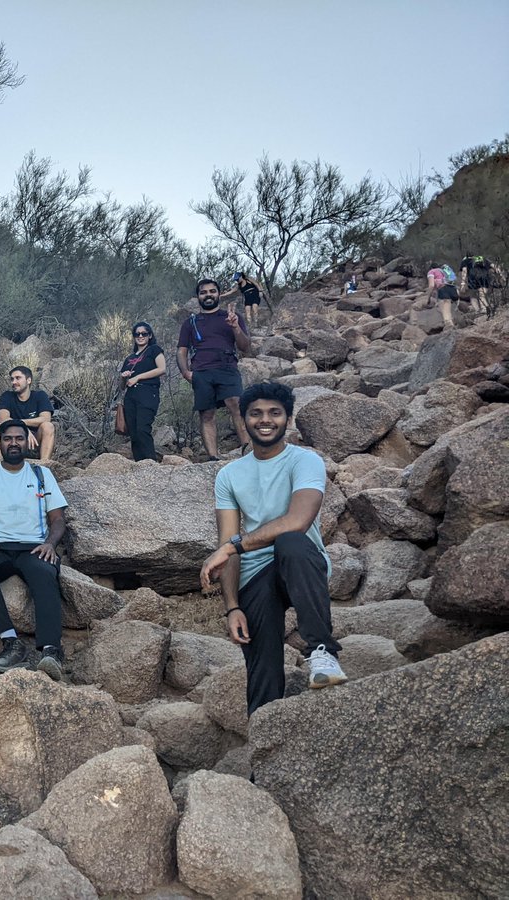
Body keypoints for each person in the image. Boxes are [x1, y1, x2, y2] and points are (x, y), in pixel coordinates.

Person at [199, 382, 347, 716]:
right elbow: (227, 543)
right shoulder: (229, 475)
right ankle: (263, 756)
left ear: (287, 419)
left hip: (299, 566)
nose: (265, 420)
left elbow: (298, 520)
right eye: (256, 413)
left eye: (274, 413)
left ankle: (322, 651)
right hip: (254, 576)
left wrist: (233, 547)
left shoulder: (305, 462)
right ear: (244, 419)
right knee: (262, 671)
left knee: (291, 540)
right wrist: (232, 607)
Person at [0, 420, 69, 681]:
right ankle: (11, 643)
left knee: (45, 571)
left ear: (28, 442)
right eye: (7, 438)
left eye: (19, 438)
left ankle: (51, 650)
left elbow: (57, 518)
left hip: (33, 547)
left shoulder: (41, 475)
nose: (13, 443)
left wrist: (50, 544)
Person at [177, 279, 252, 461]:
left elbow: (245, 346)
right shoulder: (190, 322)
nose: (208, 295)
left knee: (236, 404)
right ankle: (213, 457)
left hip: (227, 367)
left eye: (212, 291)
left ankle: (248, 451)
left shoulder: (232, 317)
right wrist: (186, 373)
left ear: (219, 294)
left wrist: (235, 327)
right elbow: (181, 350)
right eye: (204, 292)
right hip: (201, 371)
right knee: (207, 413)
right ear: (198, 297)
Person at [119, 322, 166, 462]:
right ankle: (139, 463)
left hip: (147, 392)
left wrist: (138, 377)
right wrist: (123, 377)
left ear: (149, 335)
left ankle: (150, 463)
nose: (140, 336)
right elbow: (122, 386)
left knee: (142, 429)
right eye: (137, 334)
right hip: (131, 396)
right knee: (133, 432)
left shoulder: (154, 350)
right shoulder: (129, 358)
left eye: (144, 333)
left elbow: (162, 369)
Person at [0, 365, 56, 463]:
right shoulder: (7, 396)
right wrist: (24, 429)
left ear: (28, 380)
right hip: (13, 440)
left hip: (34, 442)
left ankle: (44, 465)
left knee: (48, 426)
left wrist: (22, 423)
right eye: (12, 379)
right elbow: (3, 418)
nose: (14, 382)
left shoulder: (40, 396)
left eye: (18, 378)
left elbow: (46, 418)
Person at [425, 263, 458, 329]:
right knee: (448, 307)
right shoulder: (444, 271)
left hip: (443, 289)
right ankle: (451, 323)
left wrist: (428, 298)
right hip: (452, 289)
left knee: (443, 307)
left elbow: (431, 285)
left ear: (431, 268)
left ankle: (448, 324)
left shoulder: (431, 272)